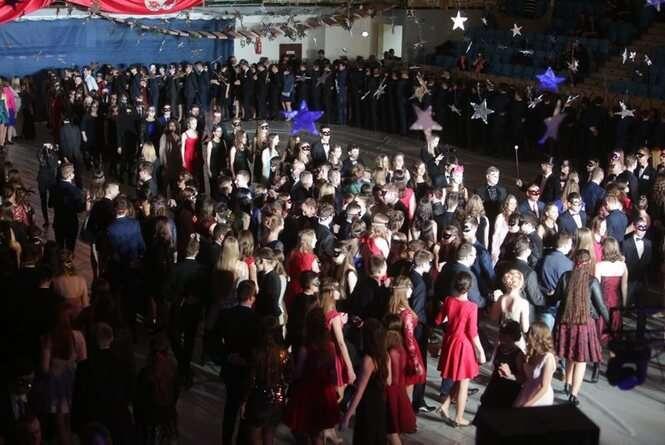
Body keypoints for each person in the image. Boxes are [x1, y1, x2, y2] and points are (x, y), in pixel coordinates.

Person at [552, 250, 609, 403]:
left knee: (570, 355)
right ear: (588, 263)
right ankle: (574, 394)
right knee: (581, 360)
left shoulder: (565, 277)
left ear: (574, 261)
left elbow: (555, 298)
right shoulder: (592, 281)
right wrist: (611, 324)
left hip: (566, 322)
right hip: (584, 325)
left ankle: (567, 383)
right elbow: (601, 306)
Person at [433, 272, 486, 426]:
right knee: (464, 383)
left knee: (459, 378)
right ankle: (459, 417)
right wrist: (480, 351)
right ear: (469, 288)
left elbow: (438, 320)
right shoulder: (472, 307)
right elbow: (472, 332)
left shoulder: (448, 300)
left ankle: (445, 406)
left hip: (450, 342)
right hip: (464, 345)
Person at [71, 323, 134, 445]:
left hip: (93, 426)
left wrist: (76, 426)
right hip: (119, 424)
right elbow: (129, 395)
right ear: (111, 339)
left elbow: (79, 398)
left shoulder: (84, 367)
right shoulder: (123, 366)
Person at [284, 307, 339, 445]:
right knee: (317, 432)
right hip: (324, 392)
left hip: (307, 392)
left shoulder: (306, 348)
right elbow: (333, 372)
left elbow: (298, 373)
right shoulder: (330, 346)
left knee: (303, 430)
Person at [215, 280, 261, 445]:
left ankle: (226, 440)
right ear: (252, 298)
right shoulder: (256, 320)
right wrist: (248, 360)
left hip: (230, 366)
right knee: (244, 409)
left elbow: (213, 340)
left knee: (230, 407)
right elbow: (258, 347)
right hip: (247, 369)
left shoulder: (226, 314)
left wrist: (226, 356)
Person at [40, 303, 87, 445]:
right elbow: (83, 360)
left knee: (59, 420)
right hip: (72, 381)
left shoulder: (49, 338)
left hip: (55, 385)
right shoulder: (78, 336)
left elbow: (44, 368)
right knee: (69, 419)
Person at [341, 318, 390, 444]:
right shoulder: (385, 356)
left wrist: (347, 416)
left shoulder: (368, 360)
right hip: (380, 403)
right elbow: (389, 381)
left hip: (368, 406)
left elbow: (359, 392)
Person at [243, 317, 290, 445]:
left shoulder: (257, 353)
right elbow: (289, 375)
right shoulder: (283, 354)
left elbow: (251, 379)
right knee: (269, 433)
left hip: (259, 396)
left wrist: (244, 400)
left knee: (255, 435)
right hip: (277, 396)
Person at [384, 315, 417, 444]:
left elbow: (389, 379)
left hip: (391, 391)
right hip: (400, 390)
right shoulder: (401, 348)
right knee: (395, 430)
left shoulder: (391, 352)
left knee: (392, 431)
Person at [478, 320, 525, 408]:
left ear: (513, 336)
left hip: (507, 393)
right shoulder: (500, 348)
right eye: (501, 332)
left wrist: (510, 375)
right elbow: (495, 370)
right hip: (493, 388)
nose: (500, 335)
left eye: (504, 334)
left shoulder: (518, 355)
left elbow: (523, 379)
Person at [594, 238, 628, 346]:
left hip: (603, 300)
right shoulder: (623, 265)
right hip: (616, 300)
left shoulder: (599, 266)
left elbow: (596, 286)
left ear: (604, 249)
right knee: (615, 323)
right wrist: (624, 302)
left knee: (602, 322)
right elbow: (624, 286)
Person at [513, 321, 556, 407]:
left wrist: (528, 404)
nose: (526, 338)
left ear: (538, 338)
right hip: (527, 390)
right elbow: (524, 377)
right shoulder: (532, 354)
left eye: (529, 335)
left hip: (540, 397)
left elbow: (544, 387)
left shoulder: (548, 358)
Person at [491, 269, 529, 351]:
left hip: (502, 339)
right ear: (520, 284)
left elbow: (493, 318)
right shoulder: (523, 303)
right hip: (516, 341)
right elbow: (525, 328)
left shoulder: (501, 299)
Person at [52, 163, 85, 252]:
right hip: (71, 223)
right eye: (73, 172)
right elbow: (79, 209)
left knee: (59, 247)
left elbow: (50, 204)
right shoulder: (75, 191)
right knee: (70, 249)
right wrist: (86, 204)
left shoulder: (54, 187)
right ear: (70, 175)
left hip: (58, 221)